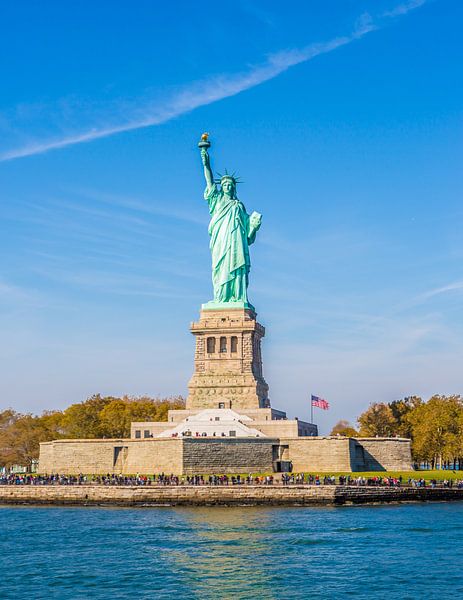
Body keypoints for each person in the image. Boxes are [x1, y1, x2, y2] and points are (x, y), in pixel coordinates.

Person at [200, 139, 262, 304]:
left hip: (236, 243)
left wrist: (254, 227)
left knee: (237, 267)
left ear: (234, 188)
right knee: (220, 268)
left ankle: (237, 296)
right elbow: (209, 179)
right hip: (221, 240)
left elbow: (248, 236)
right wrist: (205, 161)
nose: (227, 186)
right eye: (225, 184)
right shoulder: (217, 200)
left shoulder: (239, 206)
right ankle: (221, 298)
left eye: (230, 184)